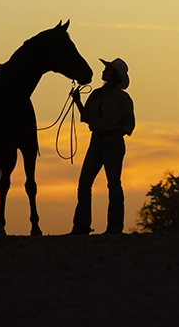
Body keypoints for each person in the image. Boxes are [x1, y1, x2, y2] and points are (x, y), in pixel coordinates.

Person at [68, 58, 135, 235]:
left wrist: (115, 137)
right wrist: (77, 102)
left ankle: (114, 228)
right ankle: (81, 227)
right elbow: (88, 118)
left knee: (113, 184)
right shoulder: (96, 94)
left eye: (108, 70)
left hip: (112, 143)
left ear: (114, 76)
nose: (104, 71)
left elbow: (129, 123)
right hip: (96, 141)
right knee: (84, 184)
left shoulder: (123, 98)